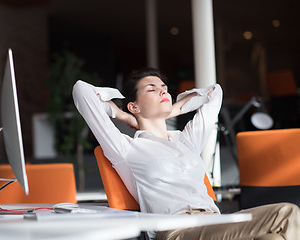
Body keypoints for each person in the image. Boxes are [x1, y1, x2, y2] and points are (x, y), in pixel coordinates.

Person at [72, 68, 300, 240]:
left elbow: (214, 94)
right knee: (287, 213)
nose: (162, 90)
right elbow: (82, 91)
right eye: (151, 89)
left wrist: (174, 109)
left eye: (164, 88)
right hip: (178, 231)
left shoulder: (186, 140)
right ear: (134, 106)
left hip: (217, 223)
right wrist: (123, 116)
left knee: (274, 237)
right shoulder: (125, 149)